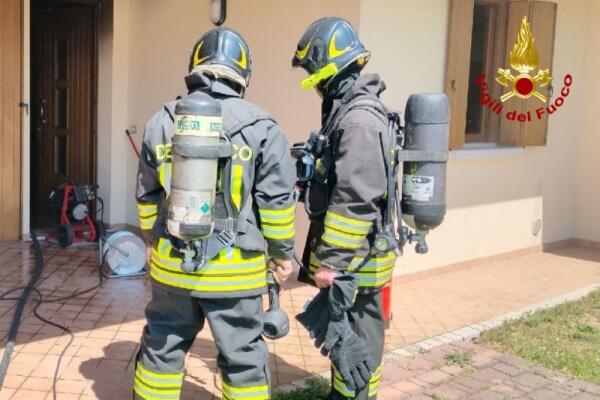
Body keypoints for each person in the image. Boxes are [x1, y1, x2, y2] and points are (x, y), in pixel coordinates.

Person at [134, 27, 296, 400]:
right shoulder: (263, 126)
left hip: (174, 267)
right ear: (244, 73)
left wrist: (152, 242)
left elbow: (146, 195)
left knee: (161, 349)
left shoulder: (161, 121)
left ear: (195, 66)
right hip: (237, 273)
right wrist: (281, 254)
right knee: (243, 360)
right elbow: (275, 202)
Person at [292, 17, 396, 400]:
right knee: (345, 343)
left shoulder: (359, 121)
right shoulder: (348, 113)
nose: (313, 83)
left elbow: (355, 197)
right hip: (355, 262)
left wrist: (332, 263)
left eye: (313, 74)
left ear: (328, 70)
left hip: (356, 265)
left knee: (358, 353)